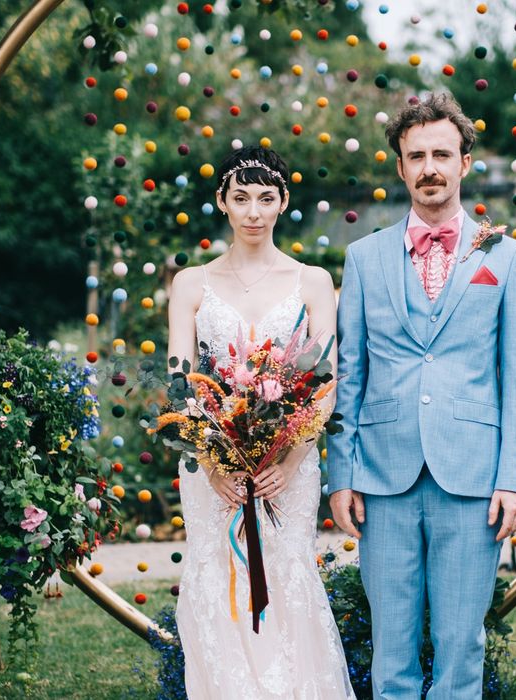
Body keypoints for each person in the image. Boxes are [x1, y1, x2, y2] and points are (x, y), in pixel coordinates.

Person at [328, 93, 516, 699]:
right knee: (390, 649)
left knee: (461, 645)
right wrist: (341, 475)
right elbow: (350, 372)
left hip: (474, 478)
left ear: (465, 162)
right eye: (416, 155)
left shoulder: (505, 256)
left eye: (442, 154)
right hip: (383, 480)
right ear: (399, 166)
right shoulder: (363, 259)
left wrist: (515, 478)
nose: (429, 168)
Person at [167, 145, 354, 699]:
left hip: (288, 470)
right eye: (241, 198)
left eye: (266, 199)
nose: (253, 211)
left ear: (283, 203)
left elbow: (325, 380)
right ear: (222, 202)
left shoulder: (313, 281)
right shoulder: (190, 284)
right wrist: (211, 459)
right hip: (212, 469)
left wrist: (292, 458)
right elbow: (182, 380)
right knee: (215, 580)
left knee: (286, 577)